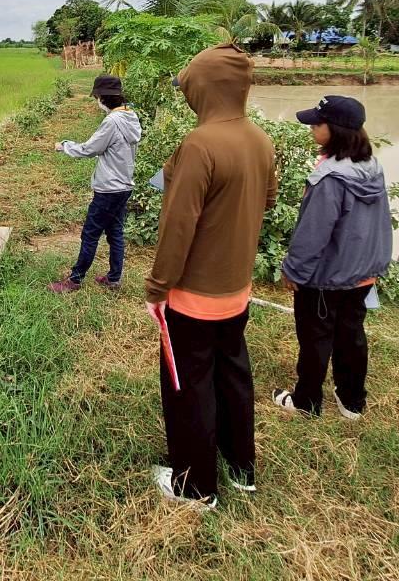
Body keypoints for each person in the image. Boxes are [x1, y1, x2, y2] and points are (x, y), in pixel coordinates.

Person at [146, 44, 277, 510]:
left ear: (205, 89)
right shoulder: (260, 139)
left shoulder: (200, 144)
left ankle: (195, 485)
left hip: (193, 295)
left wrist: (158, 287)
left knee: (189, 386)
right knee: (233, 375)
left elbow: (178, 226)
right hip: (236, 289)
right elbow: (266, 201)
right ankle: (241, 467)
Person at [272, 95, 392, 420]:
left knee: (315, 338)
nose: (311, 127)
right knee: (351, 335)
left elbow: (313, 234)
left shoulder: (329, 178)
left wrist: (294, 271)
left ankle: (306, 401)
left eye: (317, 122)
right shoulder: (371, 167)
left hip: (326, 278)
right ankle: (352, 402)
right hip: (362, 274)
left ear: (335, 129)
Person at [49, 74, 142, 293]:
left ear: (102, 97)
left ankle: (74, 280)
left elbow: (91, 149)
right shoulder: (131, 116)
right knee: (116, 232)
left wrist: (65, 146)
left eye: (96, 97)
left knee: (90, 234)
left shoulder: (112, 121)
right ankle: (114, 278)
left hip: (108, 189)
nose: (96, 101)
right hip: (125, 186)